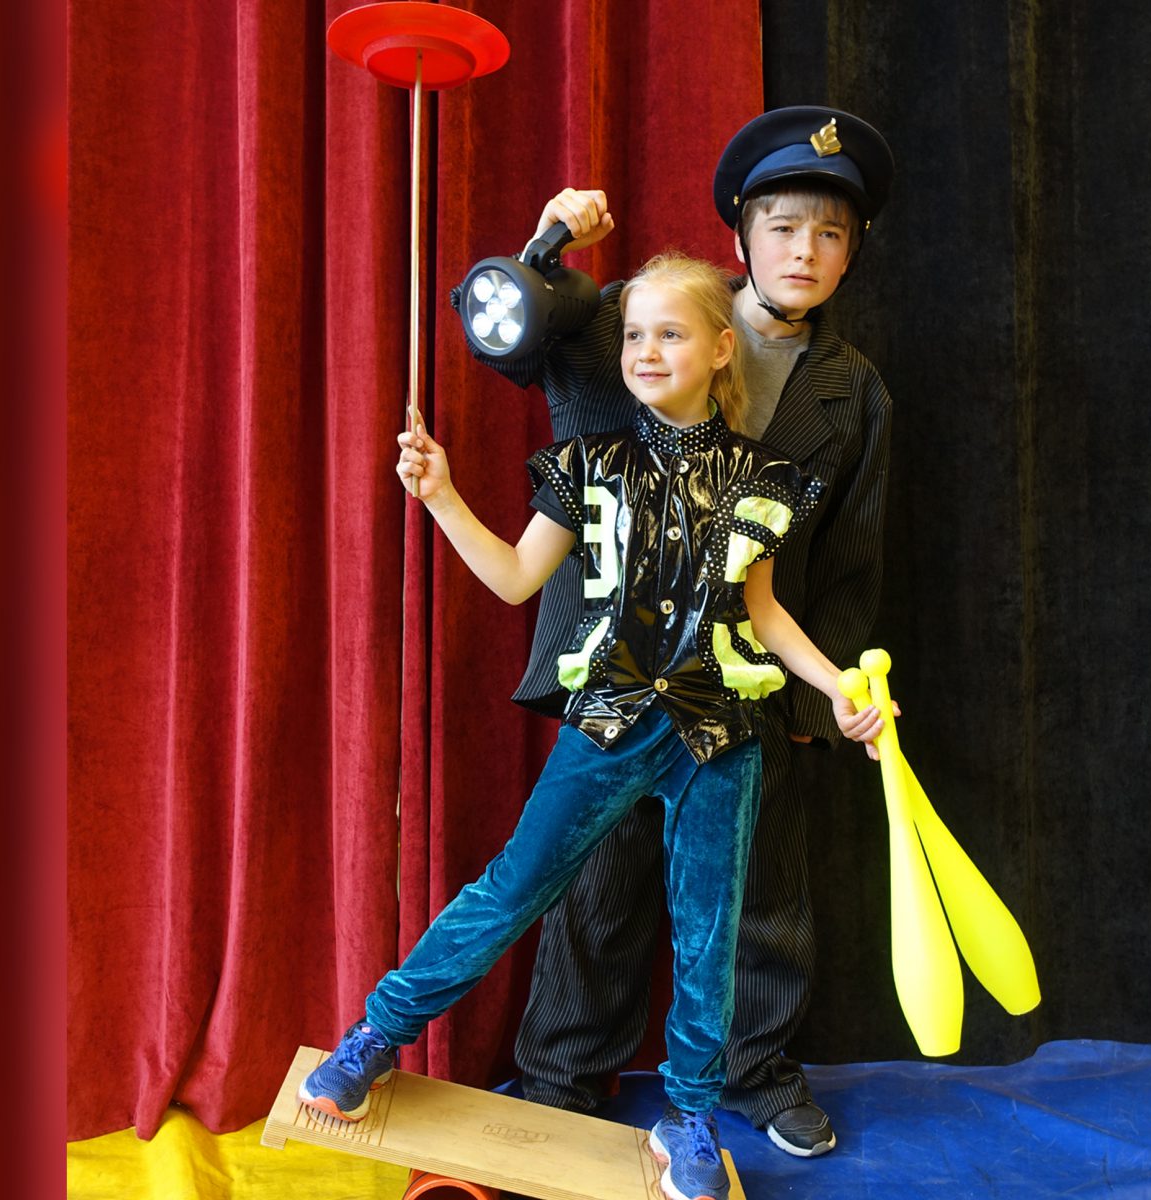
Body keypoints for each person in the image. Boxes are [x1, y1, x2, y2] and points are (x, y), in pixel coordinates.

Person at [298, 253, 884, 1200]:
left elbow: (766, 614)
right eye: (636, 335)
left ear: (720, 347)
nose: (649, 350)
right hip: (609, 717)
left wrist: (837, 684)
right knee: (512, 889)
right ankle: (375, 1037)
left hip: (720, 735)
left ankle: (687, 1115)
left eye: (673, 332)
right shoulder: (589, 466)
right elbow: (516, 579)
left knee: (708, 931)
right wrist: (442, 495)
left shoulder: (765, 478)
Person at [479, 107, 895, 1159]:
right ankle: (560, 1075)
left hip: (752, 673)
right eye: (784, 226)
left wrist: (814, 698)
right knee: (597, 880)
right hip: (620, 667)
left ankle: (754, 1073)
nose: (805, 251)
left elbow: (846, 558)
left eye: (830, 235)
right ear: (742, 235)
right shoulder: (640, 313)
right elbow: (519, 339)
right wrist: (545, 247)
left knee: (758, 894)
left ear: (850, 255)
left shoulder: (855, 394)